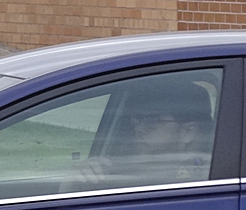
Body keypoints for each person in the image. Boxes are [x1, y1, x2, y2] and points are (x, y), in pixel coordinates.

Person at [60, 77, 215, 192]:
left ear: (188, 132)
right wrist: (73, 182)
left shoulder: (207, 178)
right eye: (137, 119)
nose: (139, 128)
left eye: (153, 120)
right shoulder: (114, 169)